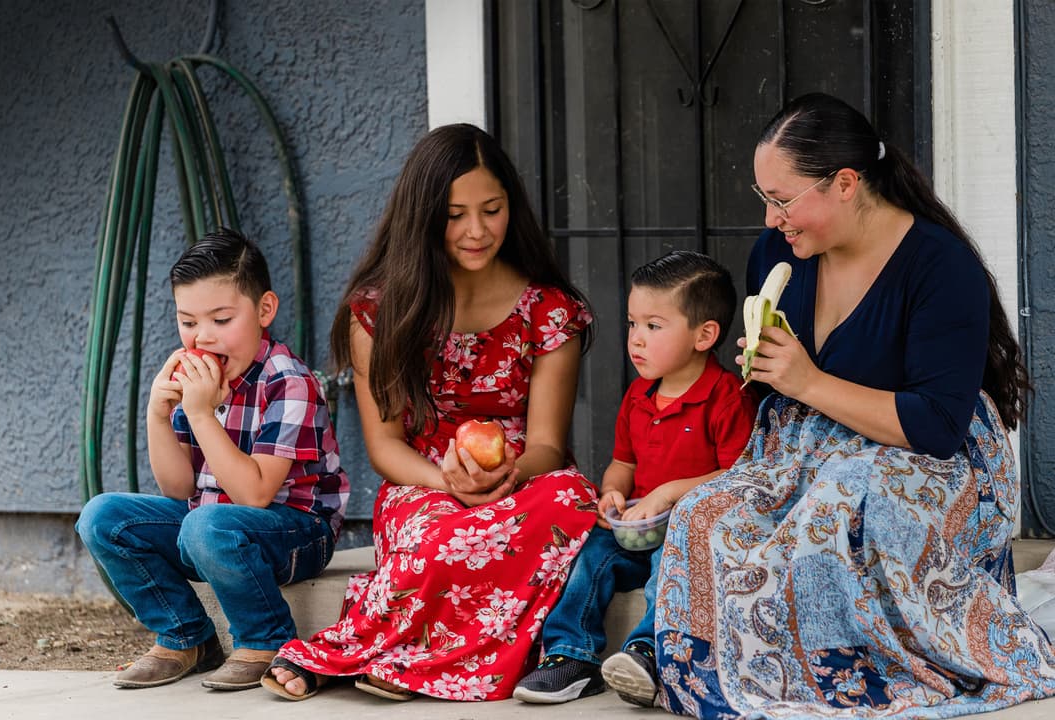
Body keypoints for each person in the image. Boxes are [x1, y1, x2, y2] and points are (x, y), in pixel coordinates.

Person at [654, 92, 1055, 718]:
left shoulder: (940, 266)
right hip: (804, 446)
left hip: (925, 460)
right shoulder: (777, 254)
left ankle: (852, 677)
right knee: (705, 514)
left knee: (832, 511)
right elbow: (781, 392)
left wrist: (807, 381)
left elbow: (938, 427)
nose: (769, 219)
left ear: (845, 183)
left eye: (782, 200)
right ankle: (725, 675)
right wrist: (766, 369)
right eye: (764, 198)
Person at [260, 123, 600, 702]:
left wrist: (505, 476)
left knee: (573, 499)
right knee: (444, 534)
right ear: (423, 217)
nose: (476, 230)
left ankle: (397, 661)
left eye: (491, 210)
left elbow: (547, 442)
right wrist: (449, 481)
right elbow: (386, 447)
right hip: (422, 478)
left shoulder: (549, 310)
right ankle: (372, 653)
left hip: (523, 480)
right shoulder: (379, 312)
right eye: (454, 214)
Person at [76, 228, 349, 691]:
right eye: (188, 322)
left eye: (221, 319)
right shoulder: (198, 377)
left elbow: (256, 494)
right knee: (103, 516)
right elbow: (178, 490)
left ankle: (267, 640)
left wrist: (202, 414)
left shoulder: (288, 380)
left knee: (209, 524)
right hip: (212, 526)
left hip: (297, 531)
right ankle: (187, 637)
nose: (202, 337)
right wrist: (158, 416)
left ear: (264, 310)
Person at [513, 251, 758, 706]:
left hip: (689, 533)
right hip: (635, 527)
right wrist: (612, 492)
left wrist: (667, 493)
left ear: (705, 335)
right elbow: (623, 463)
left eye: (653, 326)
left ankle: (647, 653)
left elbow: (737, 477)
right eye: (632, 324)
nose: (636, 340)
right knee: (589, 557)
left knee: (668, 568)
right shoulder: (639, 395)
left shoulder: (725, 398)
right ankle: (570, 655)